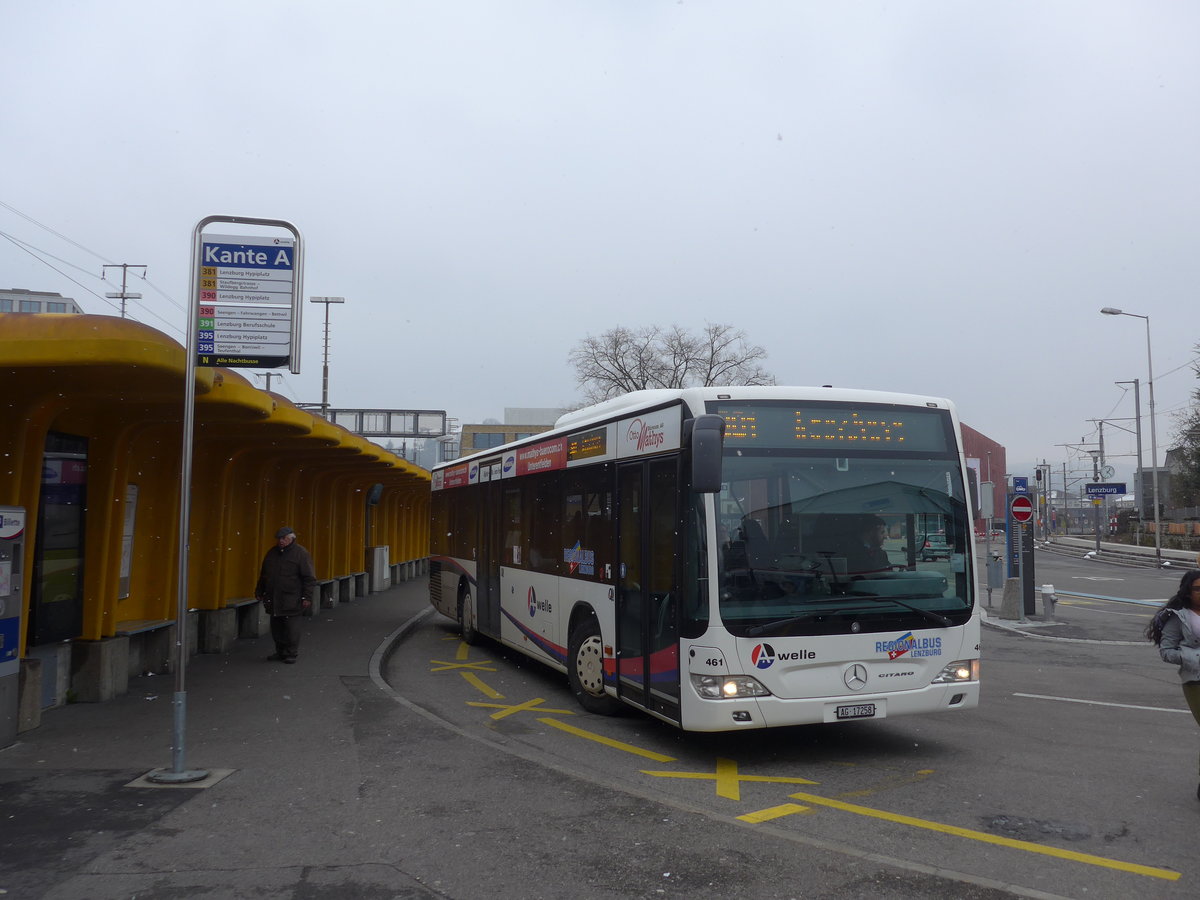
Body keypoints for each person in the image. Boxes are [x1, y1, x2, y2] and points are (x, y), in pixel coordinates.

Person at [1146, 569, 1200, 800]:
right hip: (1195, 681)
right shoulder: (1179, 617)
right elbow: (1167, 652)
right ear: (1188, 592)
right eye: (1198, 589)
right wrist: (1194, 658)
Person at [255, 526, 317, 664]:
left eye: (284, 538)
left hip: (292, 598)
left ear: (292, 539)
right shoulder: (272, 553)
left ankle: (291, 653)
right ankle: (280, 651)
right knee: (277, 628)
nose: (281, 541)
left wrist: (307, 597)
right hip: (274, 598)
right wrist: (259, 590)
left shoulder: (301, 553)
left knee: (291, 629)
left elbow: (309, 578)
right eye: (279, 538)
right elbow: (264, 575)